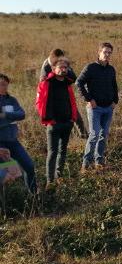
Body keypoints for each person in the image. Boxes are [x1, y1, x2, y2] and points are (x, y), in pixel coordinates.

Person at [35, 56, 78, 190]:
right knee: (52, 152)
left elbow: (72, 101)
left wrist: (72, 118)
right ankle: (50, 181)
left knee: (63, 150)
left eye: (66, 67)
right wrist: (48, 120)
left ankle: (59, 176)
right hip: (53, 124)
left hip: (67, 122)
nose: (63, 70)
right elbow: (39, 103)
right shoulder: (46, 83)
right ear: (53, 68)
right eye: (61, 67)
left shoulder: (67, 82)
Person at [76, 42, 119, 171]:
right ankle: (86, 163)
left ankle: (99, 161)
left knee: (103, 135)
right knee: (94, 134)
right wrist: (88, 99)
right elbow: (79, 83)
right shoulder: (90, 68)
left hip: (108, 108)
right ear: (99, 53)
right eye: (105, 52)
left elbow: (114, 86)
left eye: (109, 53)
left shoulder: (111, 69)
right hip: (95, 108)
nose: (107, 55)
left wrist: (115, 101)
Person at [0, 74, 37, 193]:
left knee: (29, 166)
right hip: (1, 145)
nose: (3, 86)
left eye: (5, 84)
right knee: (5, 175)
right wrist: (11, 118)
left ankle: (34, 198)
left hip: (13, 142)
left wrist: (5, 115)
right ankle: (6, 207)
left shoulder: (12, 100)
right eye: (1, 84)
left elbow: (21, 114)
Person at [40, 48, 88, 138]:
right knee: (55, 122)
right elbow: (42, 86)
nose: (62, 64)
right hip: (52, 98)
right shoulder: (46, 66)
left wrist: (65, 72)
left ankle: (84, 135)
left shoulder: (64, 63)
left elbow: (74, 78)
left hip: (65, 94)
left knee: (75, 115)